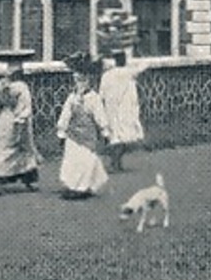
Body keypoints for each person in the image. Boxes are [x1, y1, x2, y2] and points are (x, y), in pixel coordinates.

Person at [56, 54, 111, 200]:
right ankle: (72, 185)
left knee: (86, 160)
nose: (80, 84)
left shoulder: (94, 98)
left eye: (83, 80)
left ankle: (83, 187)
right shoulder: (72, 98)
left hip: (88, 136)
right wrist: (61, 133)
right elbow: (65, 115)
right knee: (72, 161)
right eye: (77, 80)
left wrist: (105, 132)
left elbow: (100, 116)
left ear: (88, 81)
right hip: (73, 136)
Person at [0, 55, 40, 196]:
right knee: (23, 149)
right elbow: (25, 106)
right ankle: (28, 180)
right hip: (16, 118)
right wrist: (22, 119)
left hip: (4, 119)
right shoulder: (22, 87)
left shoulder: (1, 85)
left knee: (2, 149)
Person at [100, 50, 145, 173]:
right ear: (123, 60)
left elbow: (102, 94)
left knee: (115, 136)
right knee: (123, 136)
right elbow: (142, 67)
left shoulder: (107, 75)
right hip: (124, 109)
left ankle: (115, 162)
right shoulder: (127, 73)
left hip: (111, 108)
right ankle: (115, 162)